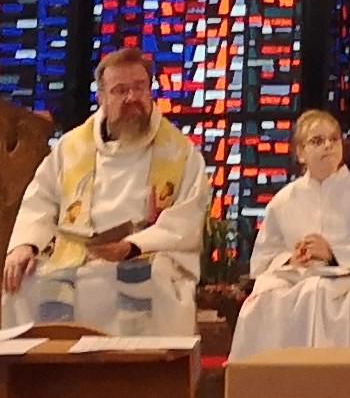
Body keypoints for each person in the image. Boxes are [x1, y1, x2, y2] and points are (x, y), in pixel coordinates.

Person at [1, 46, 210, 335]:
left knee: (151, 284)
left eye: (139, 87)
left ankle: (136, 378)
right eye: (119, 90)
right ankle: (43, 377)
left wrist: (133, 246)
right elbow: (42, 199)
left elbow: (186, 218)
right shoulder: (72, 148)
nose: (132, 98)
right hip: (76, 254)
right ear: (101, 98)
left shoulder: (180, 153)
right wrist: (25, 245)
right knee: (22, 284)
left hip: (147, 255)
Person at [228, 109, 350, 361]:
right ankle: (269, 379)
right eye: (318, 141)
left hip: (346, 279)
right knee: (264, 297)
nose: (328, 146)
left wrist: (333, 253)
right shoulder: (284, 200)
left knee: (315, 290)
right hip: (295, 277)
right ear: (300, 153)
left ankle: (319, 377)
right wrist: (290, 259)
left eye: (334, 139)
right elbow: (264, 258)